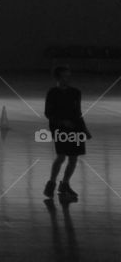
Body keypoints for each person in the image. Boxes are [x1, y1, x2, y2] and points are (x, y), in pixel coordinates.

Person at [44, 66, 91, 201]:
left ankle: (65, 184)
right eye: (65, 76)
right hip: (59, 128)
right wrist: (62, 123)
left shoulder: (76, 92)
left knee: (73, 158)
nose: (68, 79)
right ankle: (51, 183)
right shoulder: (52, 93)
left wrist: (84, 129)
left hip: (75, 127)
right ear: (58, 78)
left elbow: (78, 113)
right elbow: (48, 113)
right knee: (61, 156)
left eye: (69, 76)